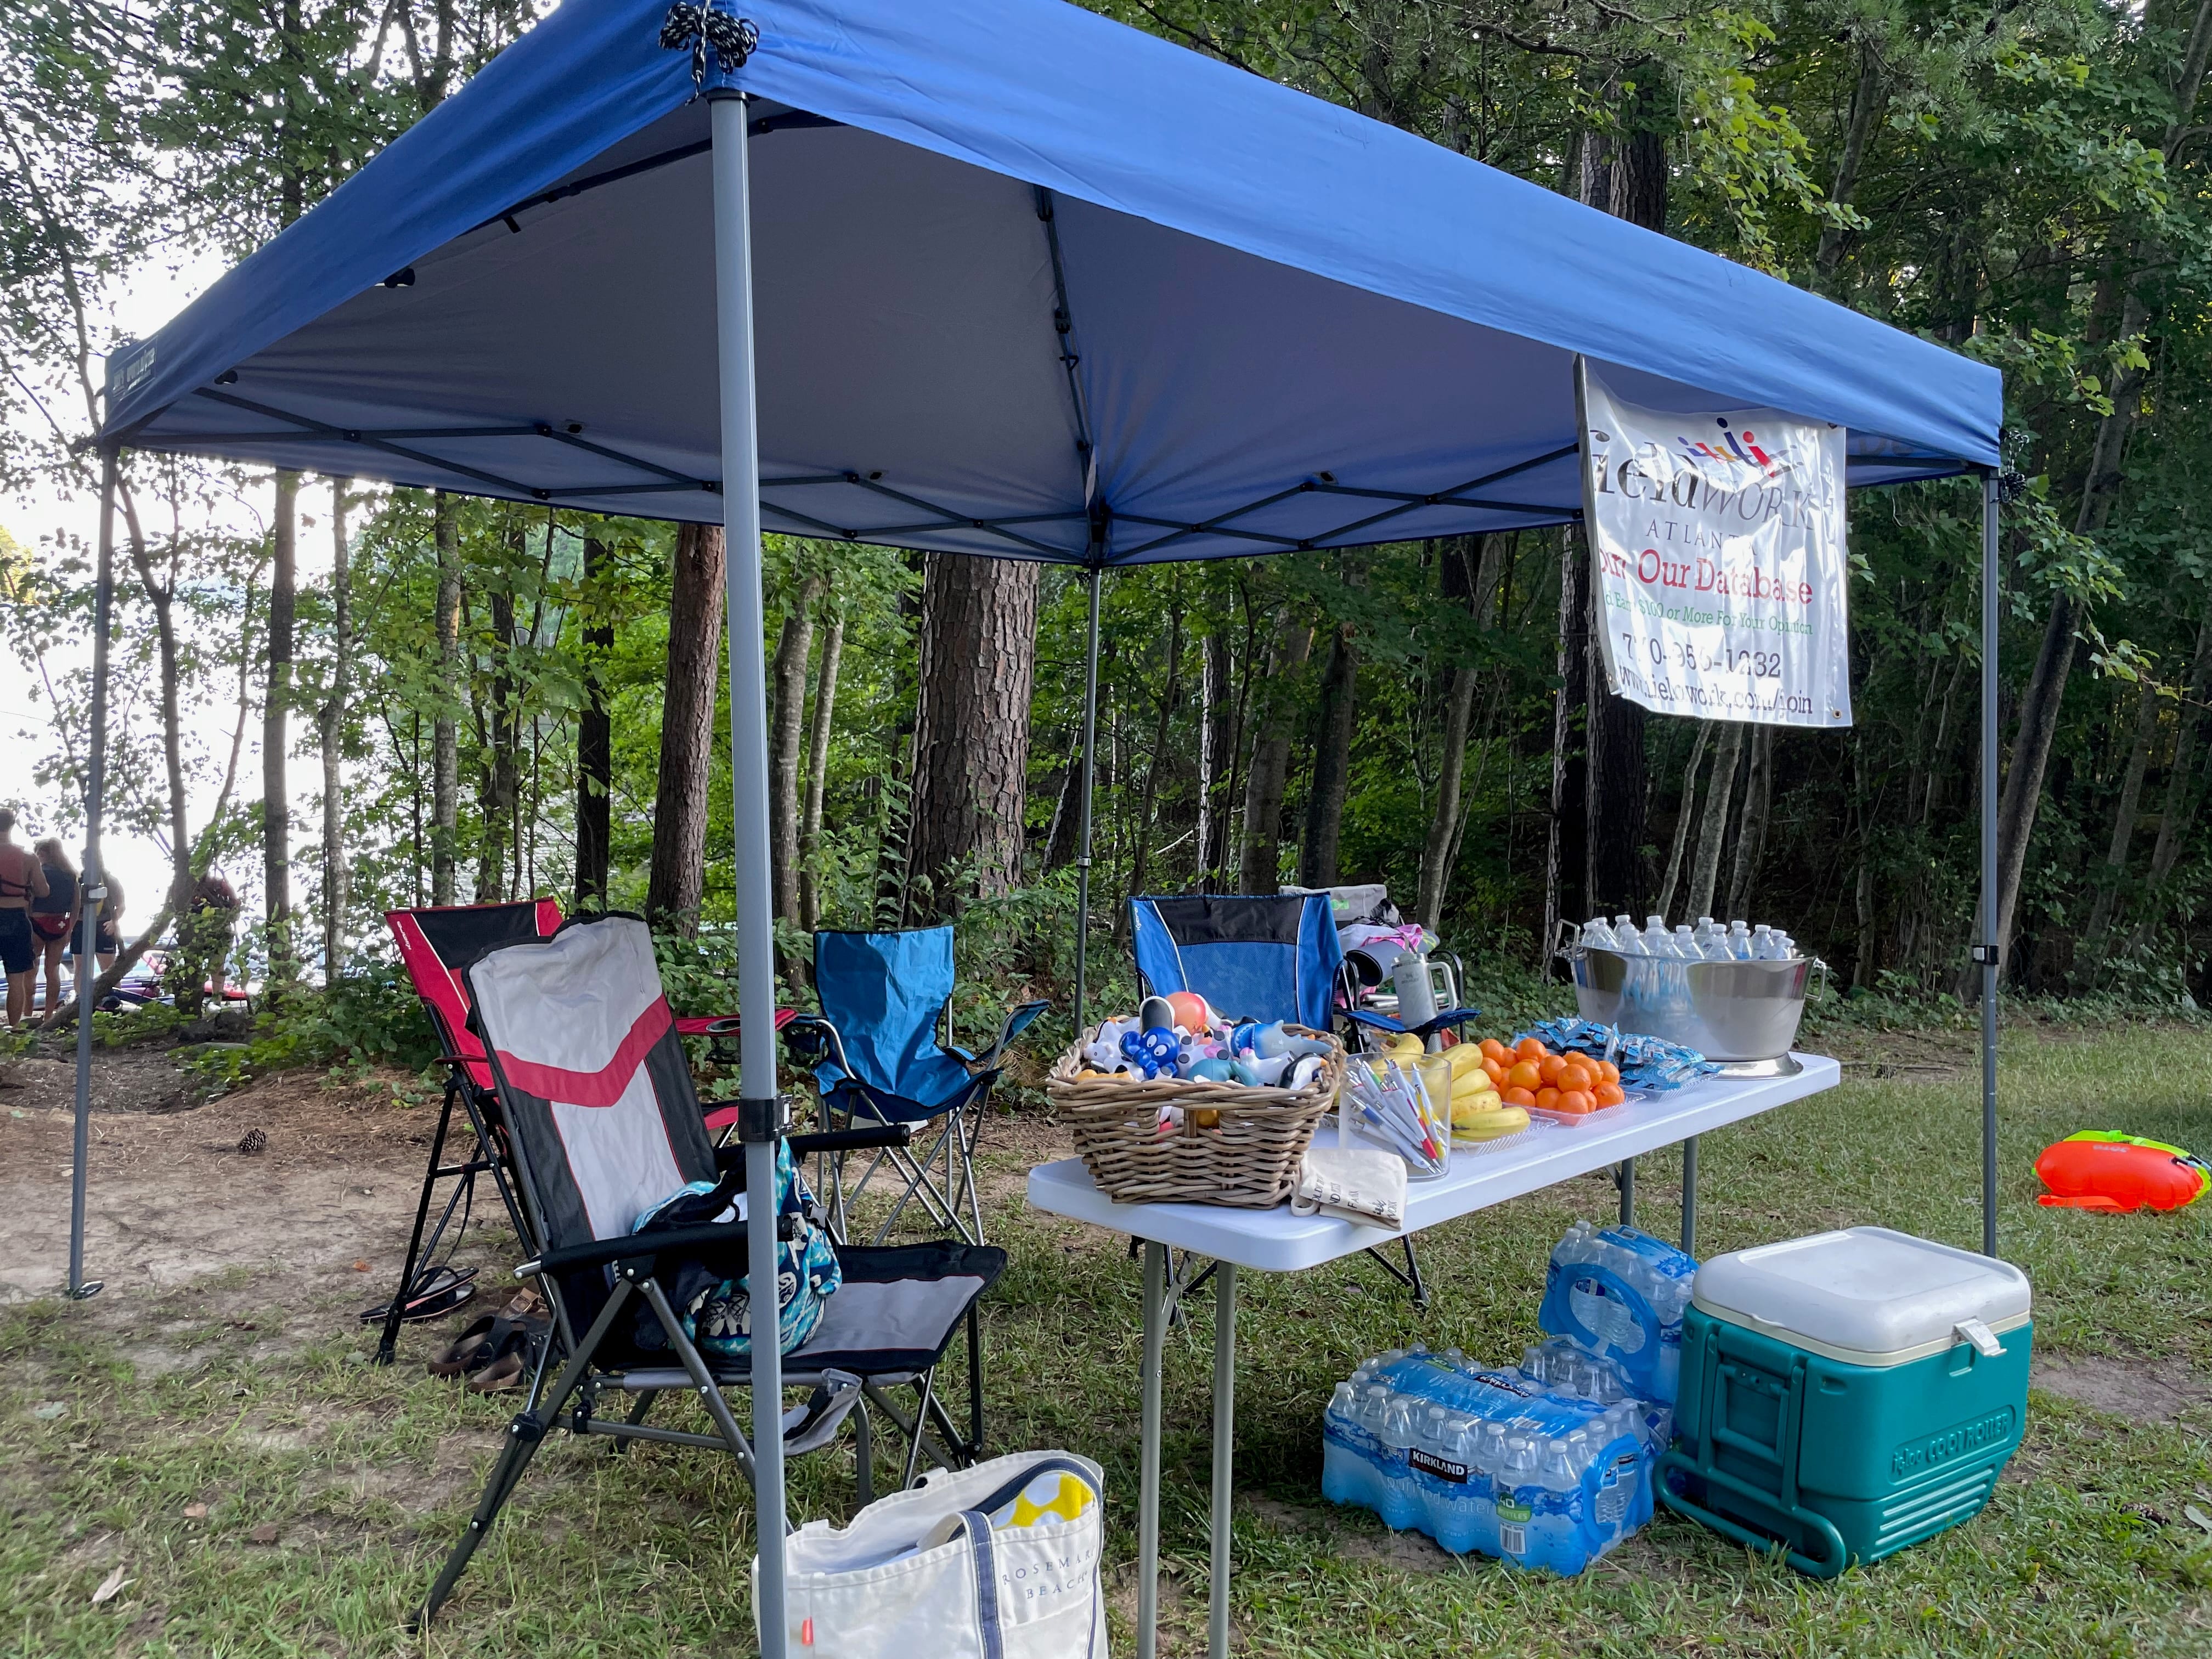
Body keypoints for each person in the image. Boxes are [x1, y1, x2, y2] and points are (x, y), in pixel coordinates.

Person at [0, 808, 49, 1030]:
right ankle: (14, 1028)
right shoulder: (28, 857)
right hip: (16, 918)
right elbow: (43, 891)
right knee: (16, 979)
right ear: (12, 826)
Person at [29, 837, 80, 1019]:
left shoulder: (39, 872)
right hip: (60, 925)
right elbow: (76, 906)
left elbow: (31, 900)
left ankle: (27, 1013)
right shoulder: (71, 875)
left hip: (36, 923)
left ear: (42, 854)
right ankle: (49, 1015)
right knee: (53, 970)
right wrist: (69, 930)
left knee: (31, 970)